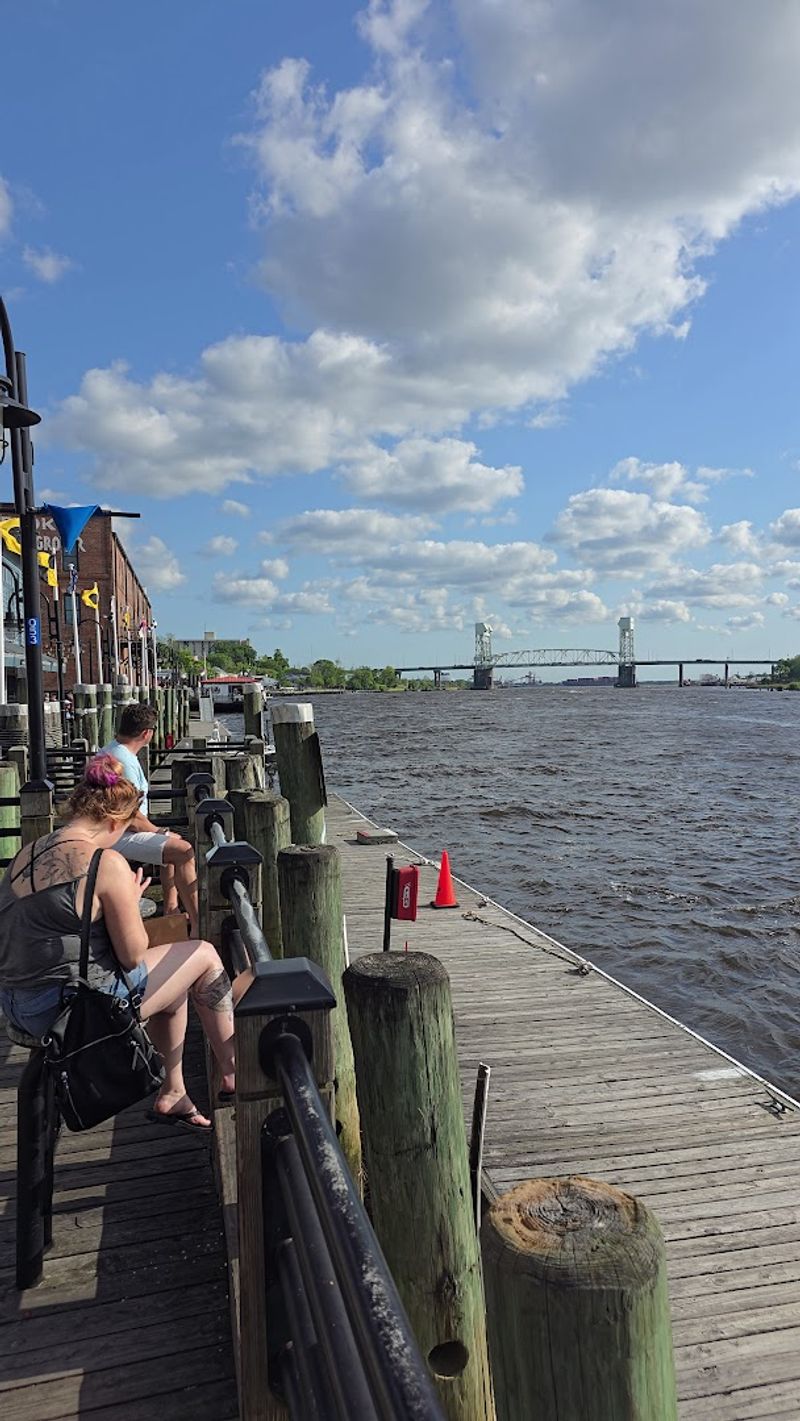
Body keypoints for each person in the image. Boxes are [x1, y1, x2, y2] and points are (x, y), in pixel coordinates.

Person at [0, 754, 236, 1132]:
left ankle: (173, 1093)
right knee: (205, 956)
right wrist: (127, 893)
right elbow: (132, 957)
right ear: (113, 822)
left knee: (173, 977)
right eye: (123, 831)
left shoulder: (27, 853)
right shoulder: (104, 862)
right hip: (69, 1012)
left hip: (16, 1002)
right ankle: (233, 1072)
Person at [101, 702, 199, 937]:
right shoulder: (123, 762)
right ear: (147, 733)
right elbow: (131, 815)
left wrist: (159, 832)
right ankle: (199, 923)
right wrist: (157, 831)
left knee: (170, 841)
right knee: (183, 851)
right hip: (117, 833)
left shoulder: (111, 750)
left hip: (116, 828)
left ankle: (171, 909)